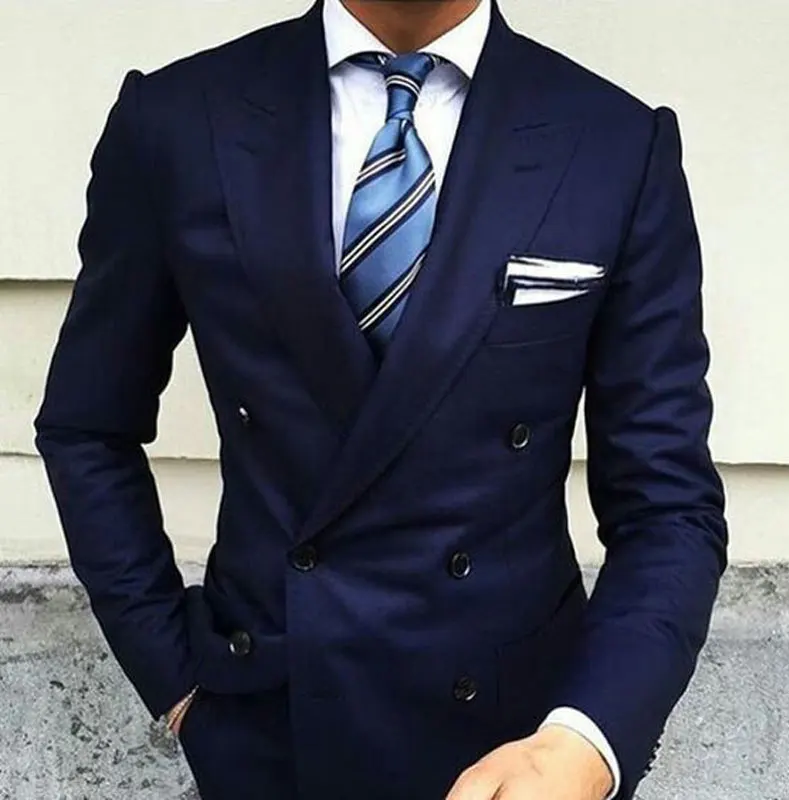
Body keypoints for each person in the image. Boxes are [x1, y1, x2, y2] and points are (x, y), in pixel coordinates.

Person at [34, 0, 728, 798]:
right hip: (270, 740)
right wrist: (178, 682)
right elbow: (87, 426)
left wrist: (584, 741)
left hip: (516, 747)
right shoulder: (178, 121)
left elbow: (669, 505)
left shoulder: (613, 142)